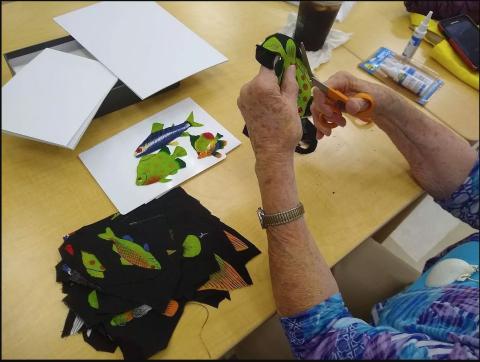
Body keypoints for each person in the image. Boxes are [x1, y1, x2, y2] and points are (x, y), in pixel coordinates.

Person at [237, 65, 479, 359]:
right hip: (422, 303)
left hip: (353, 337)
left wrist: (272, 157)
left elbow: (322, 340)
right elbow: (470, 184)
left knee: (235, 323)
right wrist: (386, 106)